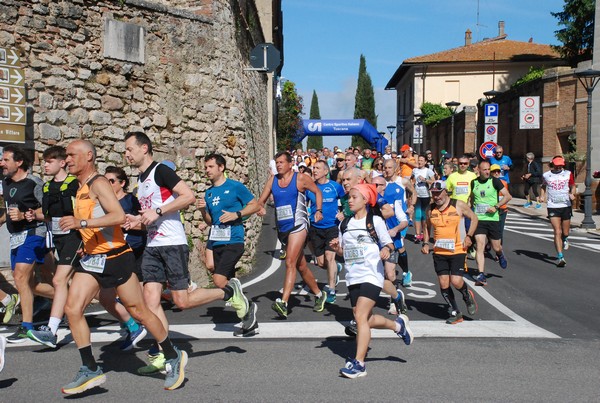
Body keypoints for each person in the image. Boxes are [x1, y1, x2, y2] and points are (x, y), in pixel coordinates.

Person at [59, 139, 186, 394]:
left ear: (89, 156)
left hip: (116, 257)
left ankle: (172, 355)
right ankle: (90, 369)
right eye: (66, 155)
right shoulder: (79, 185)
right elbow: (95, 222)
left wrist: (81, 224)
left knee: (139, 312)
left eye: (72, 155)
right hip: (93, 258)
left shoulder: (99, 183)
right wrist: (85, 239)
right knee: (72, 308)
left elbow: (117, 216)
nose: (67, 160)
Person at [124, 131, 249, 374]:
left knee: (182, 301)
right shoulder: (141, 179)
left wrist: (158, 212)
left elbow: (188, 196)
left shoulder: (161, 170)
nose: (126, 153)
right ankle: (164, 353)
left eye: (130, 148)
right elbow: (150, 216)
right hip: (152, 246)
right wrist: (136, 221)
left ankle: (227, 292)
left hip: (172, 244)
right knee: (150, 304)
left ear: (145, 148)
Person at [329, 184, 412, 378]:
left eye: (354, 197)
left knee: (360, 317)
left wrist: (386, 250)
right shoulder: (344, 224)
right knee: (365, 318)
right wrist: (337, 248)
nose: (349, 200)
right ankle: (398, 326)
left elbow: (389, 243)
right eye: (349, 197)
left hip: (372, 275)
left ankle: (359, 364)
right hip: (353, 277)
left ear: (366, 200)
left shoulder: (374, 221)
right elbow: (344, 252)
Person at [257, 151, 326, 318]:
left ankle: (283, 302)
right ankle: (319, 294)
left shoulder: (300, 178)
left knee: (289, 261)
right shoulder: (273, 180)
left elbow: (317, 192)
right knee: (300, 265)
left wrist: (318, 210)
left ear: (290, 164)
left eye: (281, 162)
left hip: (299, 224)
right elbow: (261, 201)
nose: (279, 165)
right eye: (277, 162)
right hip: (283, 227)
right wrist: (259, 208)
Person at [25, 146, 82, 348]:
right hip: (58, 240)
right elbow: (49, 214)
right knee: (97, 290)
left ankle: (51, 330)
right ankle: (131, 324)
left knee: (59, 280)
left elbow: (86, 210)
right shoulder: (47, 187)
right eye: (44, 162)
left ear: (62, 162)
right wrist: (34, 215)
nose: (45, 165)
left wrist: (80, 223)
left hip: (76, 238)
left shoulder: (75, 184)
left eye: (49, 162)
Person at [198, 153, 260, 336]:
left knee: (218, 280)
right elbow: (210, 221)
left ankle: (248, 308)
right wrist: (202, 211)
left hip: (234, 239)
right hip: (217, 240)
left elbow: (254, 205)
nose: (206, 170)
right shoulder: (208, 193)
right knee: (230, 283)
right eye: (205, 167)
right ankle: (249, 323)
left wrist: (237, 215)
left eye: (210, 166)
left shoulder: (235, 187)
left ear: (221, 167)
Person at [0, 145, 54, 344]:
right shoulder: (6, 183)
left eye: (6, 160)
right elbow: (9, 210)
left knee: (19, 276)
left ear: (19, 162)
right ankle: (65, 299)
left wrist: (25, 215)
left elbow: (49, 212)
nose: (2, 163)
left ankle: (26, 326)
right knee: (29, 284)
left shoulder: (34, 183)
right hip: (16, 236)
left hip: (34, 233)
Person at [421, 180, 478, 324]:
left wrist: (469, 236)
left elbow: (474, 218)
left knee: (456, 280)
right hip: (439, 251)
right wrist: (426, 243)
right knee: (443, 283)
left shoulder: (457, 205)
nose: (436, 196)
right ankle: (456, 312)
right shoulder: (430, 209)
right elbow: (426, 227)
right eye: (433, 194)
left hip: (457, 249)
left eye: (439, 193)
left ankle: (466, 295)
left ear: (446, 191)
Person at [305, 160, 345, 304]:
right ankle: (336, 269)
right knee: (321, 263)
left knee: (330, 257)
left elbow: (346, 201)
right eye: (313, 168)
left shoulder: (335, 187)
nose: (314, 170)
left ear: (325, 171)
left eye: (317, 168)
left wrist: (344, 213)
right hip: (316, 228)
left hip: (332, 227)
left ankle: (332, 290)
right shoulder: (309, 188)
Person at [468, 161, 512, 285]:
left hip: (493, 219)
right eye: (485, 170)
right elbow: (471, 200)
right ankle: (481, 274)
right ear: (479, 170)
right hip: (479, 219)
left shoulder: (494, 181)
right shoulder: (474, 182)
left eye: (488, 169)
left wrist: (496, 206)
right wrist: (466, 210)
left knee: (496, 246)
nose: (487, 172)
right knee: (480, 246)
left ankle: (500, 254)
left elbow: (508, 196)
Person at [540, 156, 576, 267]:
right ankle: (560, 257)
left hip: (565, 205)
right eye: (557, 164)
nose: (559, 166)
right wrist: (542, 196)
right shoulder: (546, 175)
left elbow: (572, 185)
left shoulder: (568, 174)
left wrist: (572, 194)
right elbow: (543, 186)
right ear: (553, 164)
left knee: (565, 232)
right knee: (557, 231)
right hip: (553, 206)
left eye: (561, 164)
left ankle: (565, 239)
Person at [411, 155, 436, 243]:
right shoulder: (415, 170)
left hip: (426, 195)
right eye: (419, 160)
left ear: (425, 162)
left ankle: (424, 233)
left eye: (422, 160)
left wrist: (425, 180)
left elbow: (434, 182)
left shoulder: (428, 171)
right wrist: (412, 188)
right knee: (417, 215)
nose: (420, 162)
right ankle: (418, 235)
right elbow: (412, 181)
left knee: (424, 216)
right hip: (417, 195)